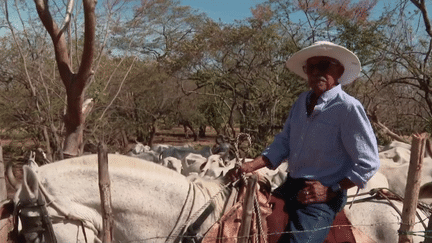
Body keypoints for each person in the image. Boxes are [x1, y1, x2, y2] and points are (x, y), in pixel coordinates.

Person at [238, 41, 380, 243]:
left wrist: (331, 191)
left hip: (321, 197)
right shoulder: (301, 101)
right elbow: (284, 141)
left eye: (323, 66)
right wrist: (251, 165)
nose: (315, 72)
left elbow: (369, 162)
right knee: (246, 222)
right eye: (310, 67)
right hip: (291, 186)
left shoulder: (348, 107)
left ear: (338, 70)